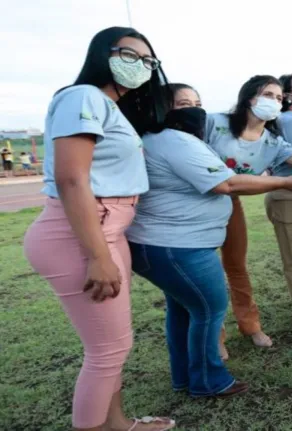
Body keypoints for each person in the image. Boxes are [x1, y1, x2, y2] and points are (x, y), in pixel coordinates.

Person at [23, 27, 175, 431]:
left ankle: (117, 424)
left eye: (149, 61)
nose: (141, 66)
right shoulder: (83, 96)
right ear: (102, 54)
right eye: (129, 55)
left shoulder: (109, 106)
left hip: (108, 228)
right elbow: (73, 179)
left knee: (113, 347)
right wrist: (97, 255)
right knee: (108, 350)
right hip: (84, 233)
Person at [127, 83, 292, 397]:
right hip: (178, 244)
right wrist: (286, 181)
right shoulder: (176, 141)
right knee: (210, 308)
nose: (194, 109)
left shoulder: (170, 138)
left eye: (197, 102)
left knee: (184, 310)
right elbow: (225, 184)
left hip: (168, 242)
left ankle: (185, 376)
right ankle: (208, 380)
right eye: (182, 103)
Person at [205, 75, 292, 332]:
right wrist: (287, 183)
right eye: (267, 95)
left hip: (229, 204)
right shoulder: (213, 123)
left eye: (278, 97)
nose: (274, 102)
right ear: (248, 97)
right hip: (192, 206)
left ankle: (250, 326)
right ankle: (214, 336)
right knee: (205, 274)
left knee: (236, 267)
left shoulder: (273, 142)